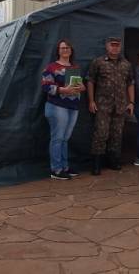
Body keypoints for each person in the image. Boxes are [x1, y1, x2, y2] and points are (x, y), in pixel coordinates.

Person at [87, 36, 135, 175]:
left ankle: (113, 161)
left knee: (116, 135)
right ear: (107, 46)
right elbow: (90, 81)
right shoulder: (98, 62)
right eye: (112, 45)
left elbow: (130, 83)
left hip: (120, 106)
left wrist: (131, 102)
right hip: (103, 106)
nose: (115, 48)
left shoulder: (126, 64)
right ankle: (96, 164)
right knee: (101, 134)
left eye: (117, 45)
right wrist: (91, 100)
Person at [41, 39, 86, 180]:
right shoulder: (51, 67)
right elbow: (45, 86)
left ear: (71, 50)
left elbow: (78, 86)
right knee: (57, 138)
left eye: (67, 48)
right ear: (58, 51)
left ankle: (65, 167)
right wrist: (62, 89)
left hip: (72, 106)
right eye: (62, 48)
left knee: (65, 139)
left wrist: (82, 87)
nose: (65, 50)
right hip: (57, 106)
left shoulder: (74, 67)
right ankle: (56, 169)